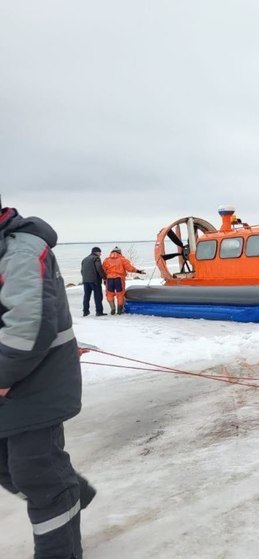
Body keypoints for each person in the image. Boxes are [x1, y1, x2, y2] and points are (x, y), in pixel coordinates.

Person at [0, 204, 96, 558]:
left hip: (36, 384)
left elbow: (29, 326)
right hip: (12, 378)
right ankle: (71, 495)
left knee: (36, 475)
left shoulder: (21, 249)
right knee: (10, 469)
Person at [102, 247, 144, 315]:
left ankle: (112, 308)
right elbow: (130, 268)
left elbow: (103, 270)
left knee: (109, 294)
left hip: (109, 279)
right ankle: (119, 310)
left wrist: (104, 279)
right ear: (119, 252)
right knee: (120, 294)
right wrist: (138, 271)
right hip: (119, 279)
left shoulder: (106, 260)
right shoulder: (122, 259)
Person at [80, 246, 106, 316]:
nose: (100, 254)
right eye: (100, 252)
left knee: (86, 296)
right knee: (98, 296)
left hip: (86, 281)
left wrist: (85, 278)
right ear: (96, 252)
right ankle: (99, 312)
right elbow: (99, 269)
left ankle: (85, 311)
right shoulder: (96, 258)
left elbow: (82, 271)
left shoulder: (84, 259)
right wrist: (104, 277)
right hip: (95, 281)